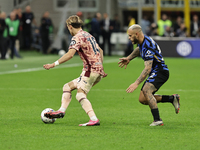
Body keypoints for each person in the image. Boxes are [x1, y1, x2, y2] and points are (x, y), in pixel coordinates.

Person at [43, 15, 107, 126]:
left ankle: (94, 119)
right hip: (97, 71)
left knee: (80, 94)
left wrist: (53, 64)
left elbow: (70, 54)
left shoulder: (77, 37)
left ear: (70, 26)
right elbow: (100, 50)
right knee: (67, 87)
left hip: (90, 71)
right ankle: (62, 111)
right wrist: (101, 67)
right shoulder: (88, 35)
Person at [118, 24, 180, 126]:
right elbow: (139, 49)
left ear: (136, 34)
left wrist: (136, 83)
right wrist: (129, 58)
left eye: (130, 35)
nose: (129, 38)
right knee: (142, 99)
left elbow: (147, 68)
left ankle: (157, 120)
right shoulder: (143, 40)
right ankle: (172, 98)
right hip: (155, 71)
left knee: (147, 90)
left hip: (160, 71)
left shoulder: (148, 46)